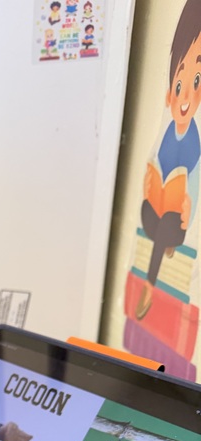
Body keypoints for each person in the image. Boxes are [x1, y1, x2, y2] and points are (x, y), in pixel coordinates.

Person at [136, 0, 201, 319]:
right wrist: (151, 184)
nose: (186, 96)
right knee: (149, 214)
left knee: (163, 226)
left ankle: (149, 286)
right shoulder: (165, 133)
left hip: (177, 222)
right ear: (168, 93)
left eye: (196, 82)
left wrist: (187, 208)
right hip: (159, 210)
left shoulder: (194, 141)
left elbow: (194, 184)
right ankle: (162, 249)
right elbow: (158, 168)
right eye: (180, 85)